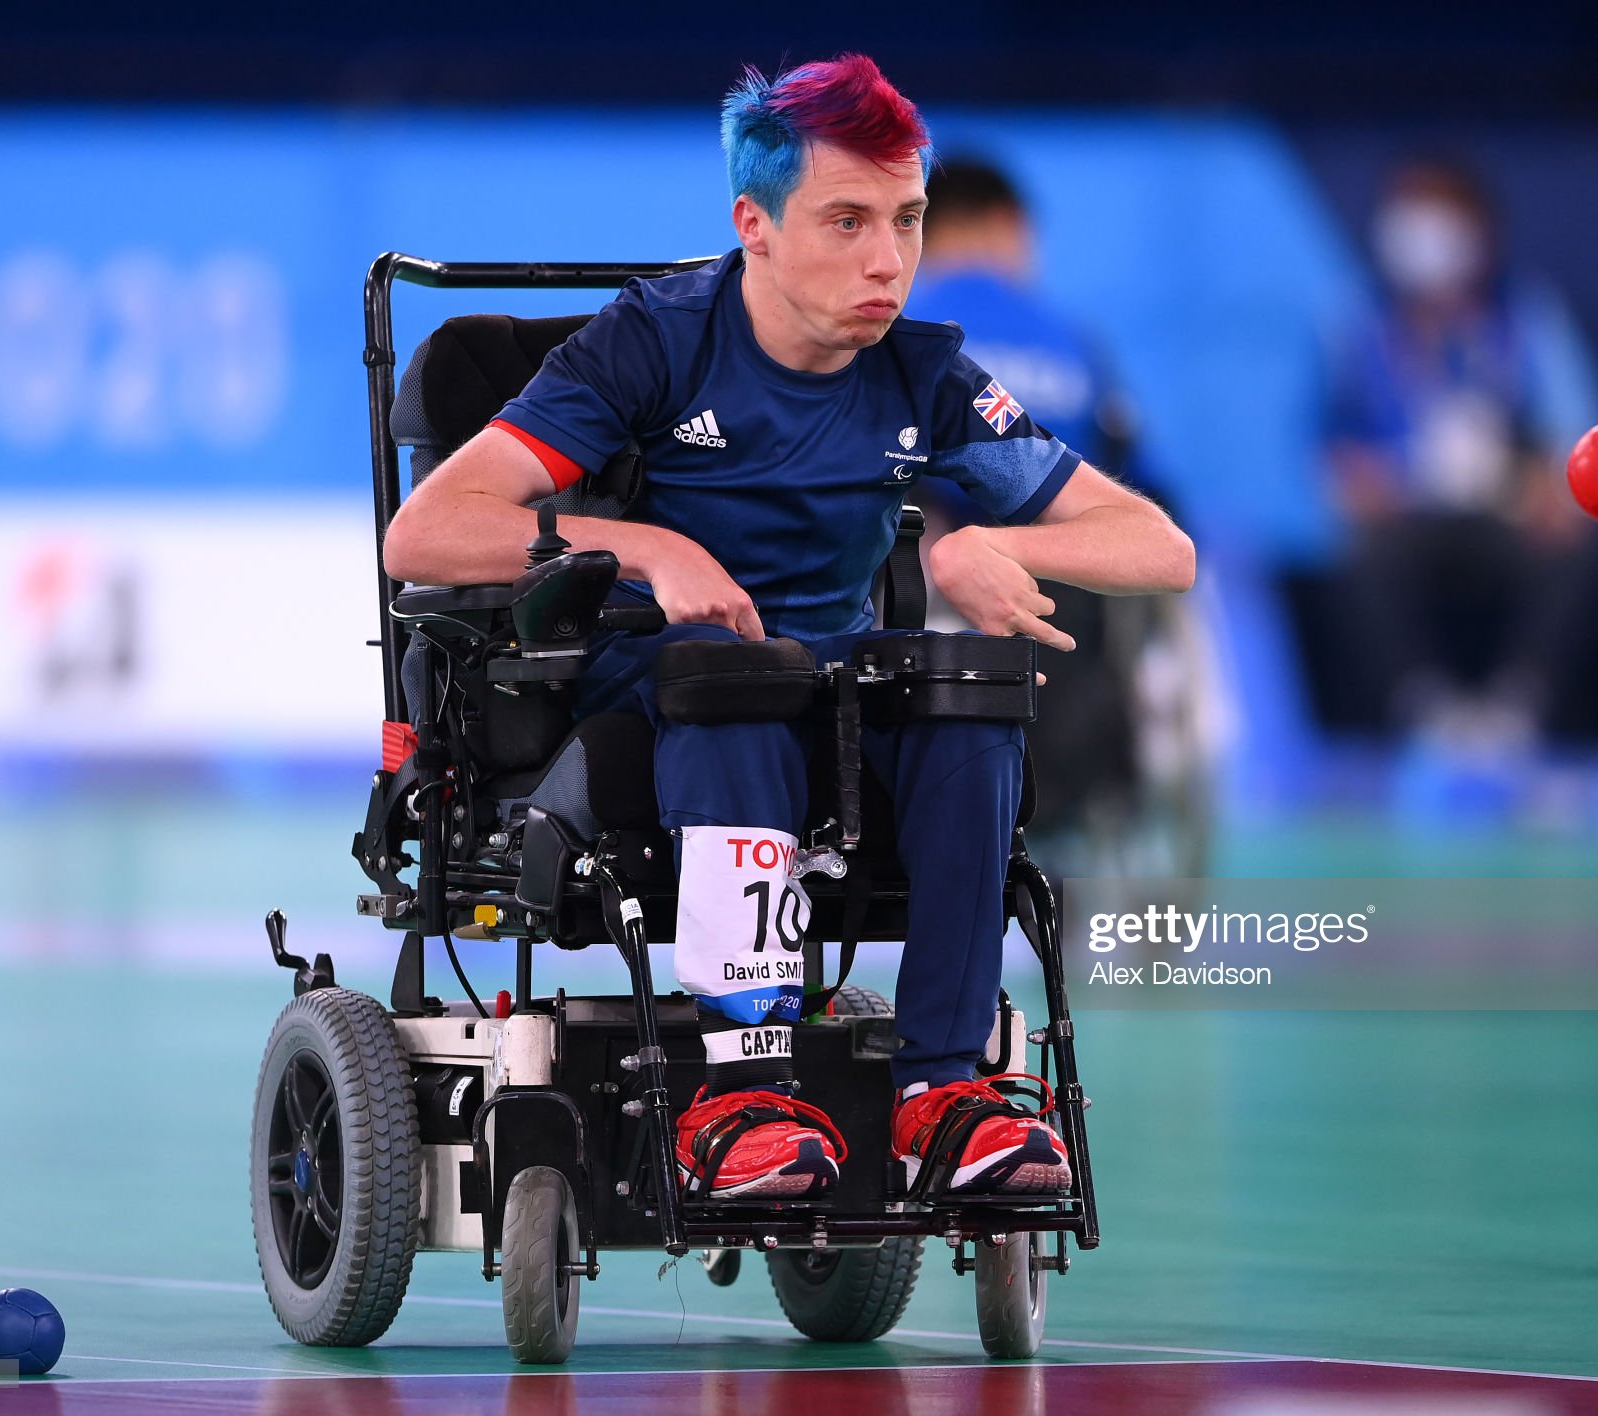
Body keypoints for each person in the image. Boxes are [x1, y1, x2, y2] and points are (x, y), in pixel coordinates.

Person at [382, 55, 1193, 1201]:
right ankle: (739, 1087)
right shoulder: (653, 341)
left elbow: (1159, 547)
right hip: (661, 690)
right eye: (846, 221)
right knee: (735, 676)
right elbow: (425, 532)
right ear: (751, 226)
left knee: (967, 689)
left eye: (906, 220)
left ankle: (940, 1094)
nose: (886, 261)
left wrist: (997, 545)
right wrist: (641, 547)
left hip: (836, 696)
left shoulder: (924, 375)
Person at [903, 156, 1187, 855]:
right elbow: (1144, 486)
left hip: (926, 592)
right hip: (1070, 616)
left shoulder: (903, 329)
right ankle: (1072, 812)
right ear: (1012, 227)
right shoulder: (1072, 341)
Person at [1325, 157, 1598, 752]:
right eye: (1408, 219)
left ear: (1477, 233)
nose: (1420, 240)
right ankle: (1421, 710)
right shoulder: (1360, 327)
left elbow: (1576, 435)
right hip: (1408, 513)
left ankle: (1518, 708)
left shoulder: (1526, 319)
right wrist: (1361, 479)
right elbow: (1327, 445)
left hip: (1500, 510)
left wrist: (1541, 482)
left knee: (1576, 549)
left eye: (1438, 219)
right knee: (1363, 553)